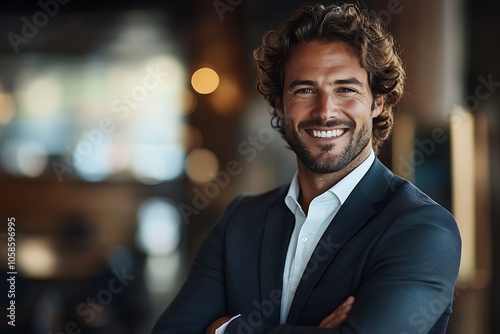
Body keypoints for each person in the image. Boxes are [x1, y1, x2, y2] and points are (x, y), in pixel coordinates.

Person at [152, 3, 461, 333]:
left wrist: (223, 329)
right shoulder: (239, 222)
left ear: (377, 101)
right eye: (305, 89)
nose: (325, 110)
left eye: (345, 89)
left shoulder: (423, 229)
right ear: (279, 104)